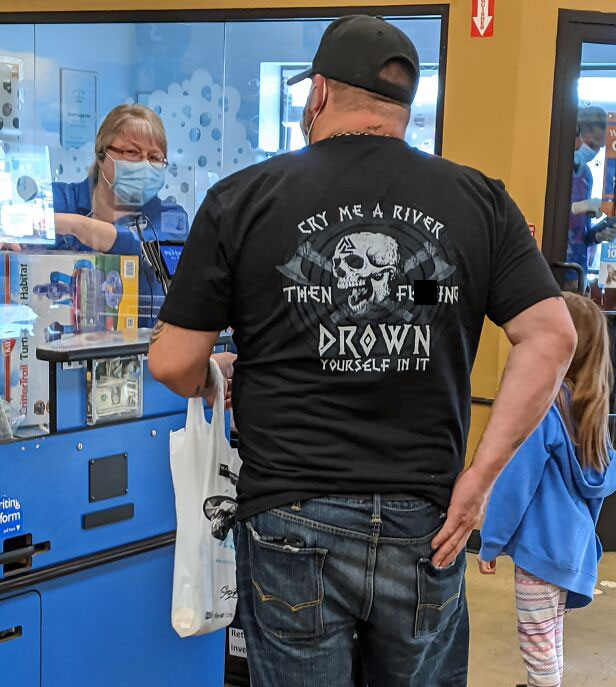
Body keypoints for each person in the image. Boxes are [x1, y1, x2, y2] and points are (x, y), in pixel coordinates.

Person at [148, 15, 577, 687]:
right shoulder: (479, 200)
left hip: (292, 513)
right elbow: (553, 336)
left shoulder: (243, 198)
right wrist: (480, 480)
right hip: (427, 518)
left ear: (318, 93)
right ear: (403, 107)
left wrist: (213, 374)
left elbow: (172, 362)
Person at [478, 291, 616, 687]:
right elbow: (602, 481)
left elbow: (515, 485)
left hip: (541, 554)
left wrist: (490, 542)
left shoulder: (544, 408)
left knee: (538, 648)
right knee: (551, 639)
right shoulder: (589, 411)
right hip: (573, 551)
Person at [51, 104, 188, 322]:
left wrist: (77, 225)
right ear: (101, 155)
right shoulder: (57, 200)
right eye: (132, 152)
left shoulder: (170, 219)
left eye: (154, 157)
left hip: (143, 342)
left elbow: (144, 252)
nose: (145, 165)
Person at [566, 106, 616, 288]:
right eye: (592, 144)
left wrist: (599, 235)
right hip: (553, 268)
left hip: (577, 271)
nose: (594, 152)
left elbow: (581, 235)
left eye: (599, 147)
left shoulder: (585, 175)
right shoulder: (554, 167)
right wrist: (581, 206)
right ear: (575, 133)